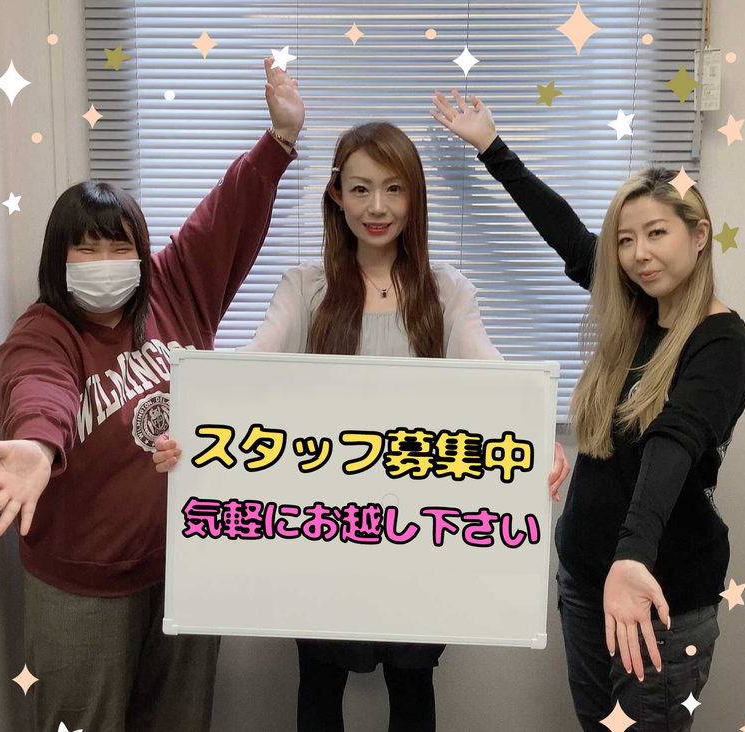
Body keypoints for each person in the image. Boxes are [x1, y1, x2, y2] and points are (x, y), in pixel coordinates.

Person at [155, 120, 571, 732]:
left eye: (394, 189)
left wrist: (539, 438)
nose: (377, 207)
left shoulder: (447, 291)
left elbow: (497, 381)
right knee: (320, 682)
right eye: (360, 189)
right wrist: (190, 424)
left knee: (412, 682)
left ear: (414, 197)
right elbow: (246, 372)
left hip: (420, 531)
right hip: (324, 528)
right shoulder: (306, 287)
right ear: (336, 195)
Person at [0, 59, 303, 732]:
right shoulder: (43, 332)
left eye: (119, 248)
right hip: (81, 585)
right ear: (58, 260)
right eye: (85, 251)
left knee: (180, 720)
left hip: (185, 562)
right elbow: (39, 388)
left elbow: (225, 217)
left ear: (142, 255)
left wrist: (280, 139)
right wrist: (36, 446)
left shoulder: (176, 289)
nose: (104, 264)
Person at [430, 88, 745, 730]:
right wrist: (493, 149)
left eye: (656, 234)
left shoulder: (721, 342)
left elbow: (674, 440)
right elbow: (573, 242)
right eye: (626, 240)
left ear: (699, 236)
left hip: (658, 596)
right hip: (585, 580)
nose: (638, 254)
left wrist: (632, 557)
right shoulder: (632, 312)